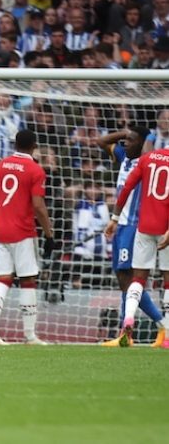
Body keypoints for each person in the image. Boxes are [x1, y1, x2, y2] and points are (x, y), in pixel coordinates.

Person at [0, 129, 54, 346]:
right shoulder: (36, 170)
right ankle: (30, 336)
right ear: (34, 146)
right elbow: (39, 206)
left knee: (3, 279)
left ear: (15, 144)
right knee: (28, 280)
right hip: (22, 232)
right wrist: (49, 234)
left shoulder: (0, 165)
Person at [97, 127, 165, 347]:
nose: (125, 143)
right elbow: (101, 141)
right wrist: (125, 132)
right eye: (124, 140)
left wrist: (150, 136)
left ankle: (154, 325)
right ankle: (131, 331)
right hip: (119, 226)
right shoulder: (123, 157)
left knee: (129, 279)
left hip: (133, 226)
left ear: (144, 143)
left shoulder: (145, 162)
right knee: (123, 279)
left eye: (131, 140)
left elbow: (147, 147)